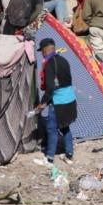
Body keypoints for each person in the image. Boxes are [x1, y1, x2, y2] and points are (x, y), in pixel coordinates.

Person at [36, 37, 77, 165]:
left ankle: (49, 158)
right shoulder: (64, 60)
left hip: (58, 102)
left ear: (44, 50)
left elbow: (50, 88)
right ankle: (69, 156)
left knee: (52, 129)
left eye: (42, 51)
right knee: (65, 127)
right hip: (70, 100)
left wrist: (43, 103)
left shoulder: (49, 64)